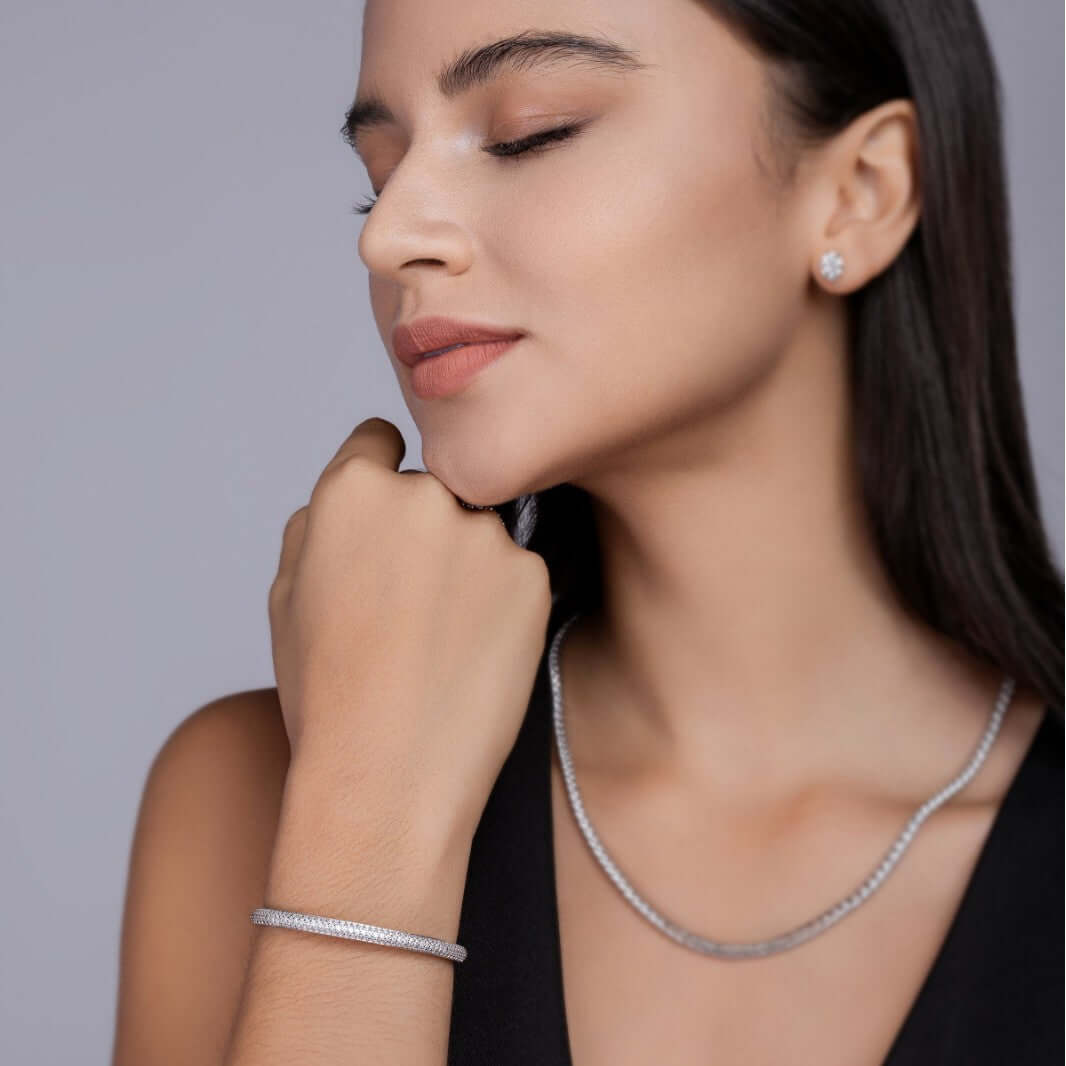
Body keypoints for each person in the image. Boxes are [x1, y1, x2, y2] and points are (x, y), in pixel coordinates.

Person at [111, 1, 1064, 1064]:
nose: (387, 235)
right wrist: (364, 830)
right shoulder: (257, 790)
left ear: (860, 192)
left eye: (529, 132)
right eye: (379, 174)